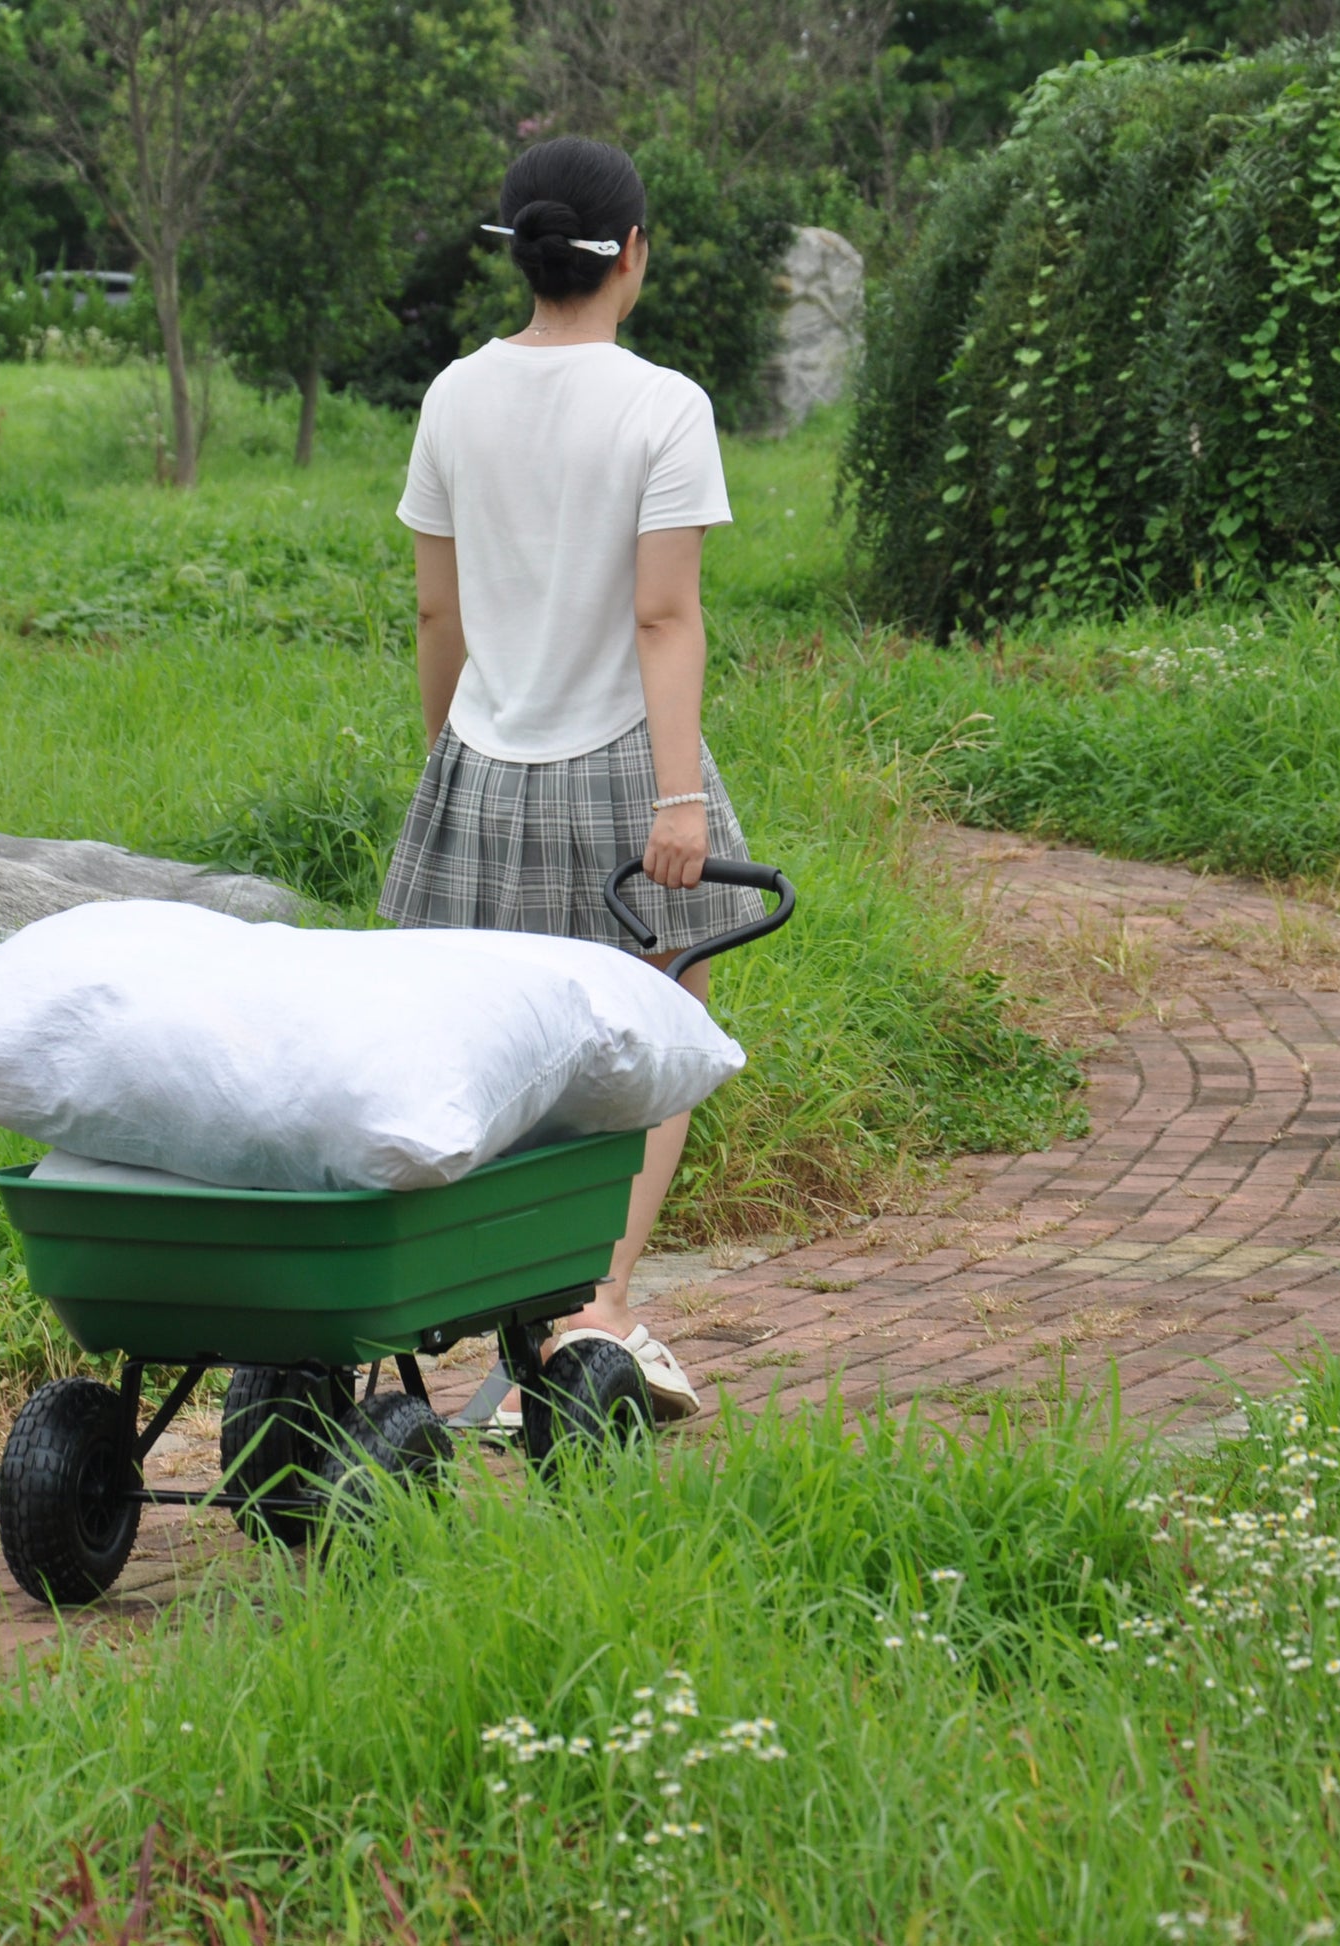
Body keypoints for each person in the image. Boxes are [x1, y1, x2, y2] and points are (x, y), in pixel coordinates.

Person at [381, 135, 764, 1422]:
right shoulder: (661, 405)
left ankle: (508, 1315)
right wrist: (677, 801)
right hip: (616, 765)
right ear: (632, 255)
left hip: (480, 758)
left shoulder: (451, 396)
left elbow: (438, 616)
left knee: (498, 1045)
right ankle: (588, 1309)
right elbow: (664, 618)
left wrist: (449, 759)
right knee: (664, 1023)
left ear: (520, 257)